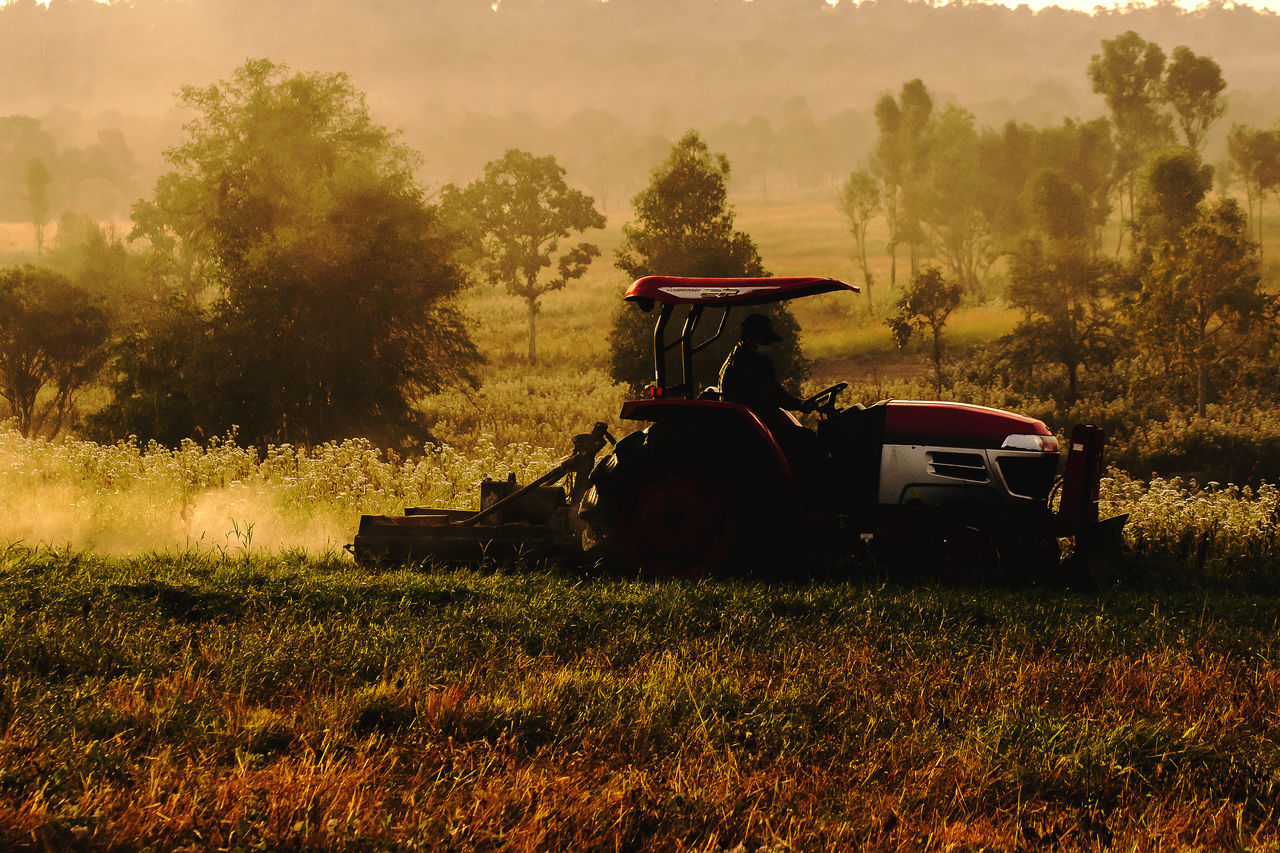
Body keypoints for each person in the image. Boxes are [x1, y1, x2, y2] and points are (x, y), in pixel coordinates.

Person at [719, 313, 818, 458]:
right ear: (752, 338)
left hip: (754, 423)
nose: (768, 344)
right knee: (808, 438)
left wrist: (800, 404)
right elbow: (773, 396)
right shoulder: (748, 364)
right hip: (755, 427)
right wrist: (799, 405)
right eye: (765, 340)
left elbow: (775, 394)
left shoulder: (743, 358)